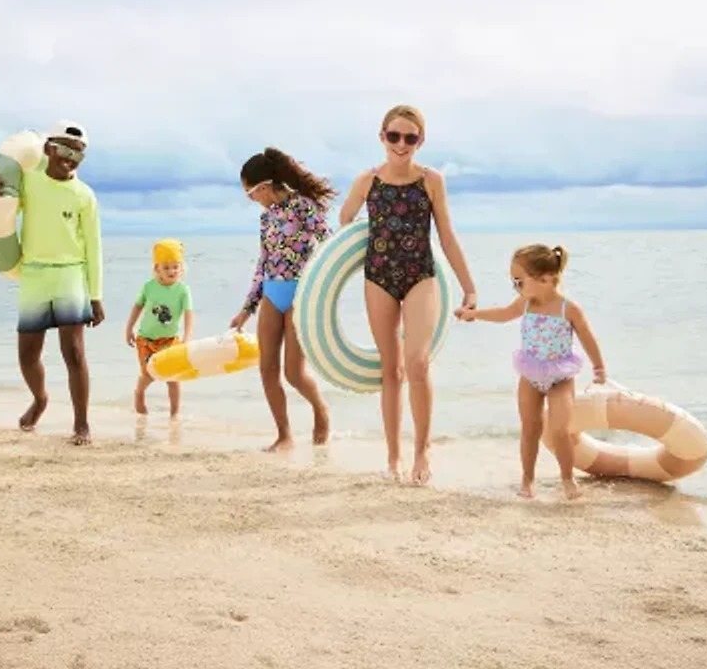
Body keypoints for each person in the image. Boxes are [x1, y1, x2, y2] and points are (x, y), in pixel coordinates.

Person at [339, 104, 478, 485]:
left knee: (417, 364)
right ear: (382, 137)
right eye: (394, 136)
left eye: (410, 137)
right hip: (378, 277)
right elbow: (345, 219)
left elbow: (446, 235)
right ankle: (393, 457)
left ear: (421, 141)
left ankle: (422, 451)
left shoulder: (432, 180)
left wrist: (469, 286)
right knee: (392, 370)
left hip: (420, 275)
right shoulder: (367, 180)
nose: (402, 144)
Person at [0, 121, 104, 445]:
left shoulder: (85, 196)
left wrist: (96, 296)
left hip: (70, 274)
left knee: (73, 352)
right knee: (27, 355)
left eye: (78, 153)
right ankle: (41, 399)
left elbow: (94, 248)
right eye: (63, 148)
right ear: (47, 148)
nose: (69, 157)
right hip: (33, 274)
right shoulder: (29, 182)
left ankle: (81, 424)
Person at [455, 244, 606, 500]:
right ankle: (527, 479)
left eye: (519, 281)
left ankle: (567, 479)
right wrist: (475, 315)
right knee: (529, 428)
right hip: (530, 374)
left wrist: (599, 367)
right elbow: (503, 314)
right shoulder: (525, 303)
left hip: (561, 377)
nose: (515, 286)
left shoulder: (567, 308)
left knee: (561, 430)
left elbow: (587, 337)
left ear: (545, 279)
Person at [230, 147, 334, 452]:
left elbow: (330, 243)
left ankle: (320, 409)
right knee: (267, 369)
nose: (250, 199)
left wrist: (322, 288)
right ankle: (284, 435)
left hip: (300, 295)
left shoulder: (304, 207)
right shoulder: (266, 219)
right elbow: (262, 264)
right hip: (272, 294)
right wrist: (245, 311)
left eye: (249, 193)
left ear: (263, 186)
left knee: (293, 373)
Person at [125, 239, 194, 418]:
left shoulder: (183, 290)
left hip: (170, 340)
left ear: (181, 268)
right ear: (157, 269)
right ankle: (139, 393)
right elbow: (137, 307)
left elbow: (188, 314)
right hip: (146, 340)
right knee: (148, 374)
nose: (172, 271)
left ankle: (174, 413)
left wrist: (187, 338)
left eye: (175, 267)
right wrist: (129, 328)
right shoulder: (149, 287)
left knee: (173, 378)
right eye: (166, 267)